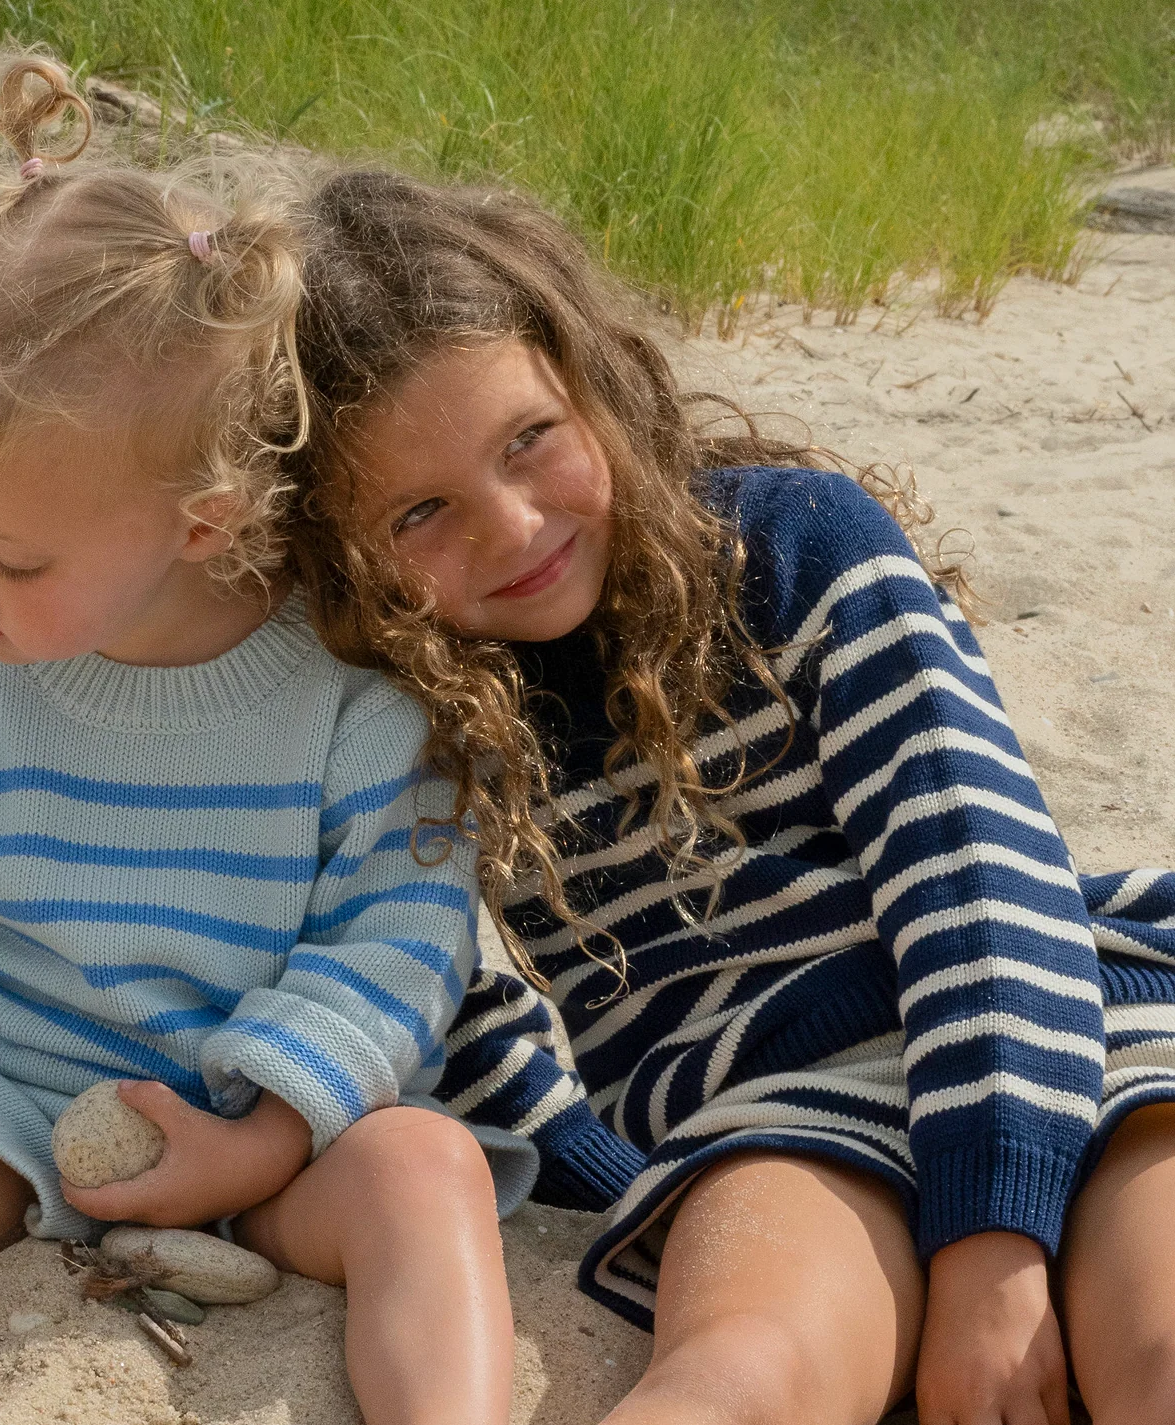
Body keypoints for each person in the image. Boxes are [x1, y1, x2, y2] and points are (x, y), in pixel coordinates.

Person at [0, 64, 614, 1423]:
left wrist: (253, 1138)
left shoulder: (350, 691)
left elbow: (397, 946)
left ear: (204, 525)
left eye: (17, 556)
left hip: (277, 1141)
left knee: (426, 1173)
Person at [281, 164, 1175, 1425]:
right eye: (421, 511)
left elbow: (976, 877)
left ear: (590, 374)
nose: (510, 525)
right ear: (342, 550)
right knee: (732, 1376)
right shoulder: (415, 706)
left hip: (1056, 1032)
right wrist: (614, 1170)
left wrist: (992, 1240)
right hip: (776, 1116)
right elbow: (425, 988)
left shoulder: (801, 544)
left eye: (529, 439)